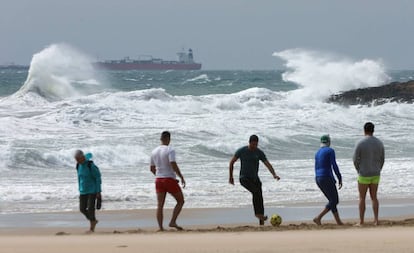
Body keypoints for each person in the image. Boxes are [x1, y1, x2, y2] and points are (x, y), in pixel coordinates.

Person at [229, 135, 280, 225]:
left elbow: (267, 164)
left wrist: (274, 174)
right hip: (244, 178)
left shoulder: (259, 152)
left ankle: (261, 221)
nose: (254, 147)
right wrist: (231, 177)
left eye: (256, 145)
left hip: (255, 179)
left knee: (260, 197)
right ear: (249, 142)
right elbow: (232, 162)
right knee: (256, 192)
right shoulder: (242, 151)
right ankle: (257, 214)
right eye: (253, 145)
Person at [150, 131, 186, 231]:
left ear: (161, 139)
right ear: (168, 139)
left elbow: (152, 168)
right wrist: (181, 177)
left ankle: (161, 228)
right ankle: (172, 221)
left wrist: (160, 175)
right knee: (180, 201)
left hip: (158, 180)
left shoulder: (154, 151)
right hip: (169, 179)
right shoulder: (170, 149)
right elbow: (173, 163)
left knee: (160, 205)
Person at [353, 122, 385, 226]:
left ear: (364, 130)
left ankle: (361, 221)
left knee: (362, 198)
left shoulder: (360, 143)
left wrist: (358, 169)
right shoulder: (379, 143)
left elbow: (355, 159)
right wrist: (379, 169)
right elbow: (382, 159)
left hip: (364, 173)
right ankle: (376, 220)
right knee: (374, 197)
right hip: (376, 173)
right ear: (373, 130)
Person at [313, 135, 343, 226]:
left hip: (318, 178)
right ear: (329, 142)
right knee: (335, 200)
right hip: (326, 177)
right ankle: (318, 217)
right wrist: (339, 177)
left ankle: (338, 222)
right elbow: (334, 165)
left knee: (332, 200)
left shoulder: (317, 152)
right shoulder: (330, 151)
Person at [74, 150, 102, 232]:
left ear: (82, 157)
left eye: (78, 159)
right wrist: (79, 188)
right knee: (82, 209)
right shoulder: (78, 165)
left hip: (92, 190)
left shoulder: (90, 165)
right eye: (76, 160)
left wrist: (98, 191)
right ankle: (93, 220)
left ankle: (92, 228)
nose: (77, 161)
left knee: (90, 208)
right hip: (83, 190)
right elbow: (80, 178)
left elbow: (98, 177)